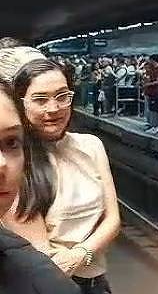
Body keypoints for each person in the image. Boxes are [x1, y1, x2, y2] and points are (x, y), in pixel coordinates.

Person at [6, 59, 121, 293]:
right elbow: (42, 255)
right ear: (21, 104)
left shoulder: (91, 145)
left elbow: (113, 219)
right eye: (40, 99)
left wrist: (81, 253)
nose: (53, 108)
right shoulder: (16, 161)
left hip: (97, 282)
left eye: (61, 96)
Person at [0, 82, 80, 294]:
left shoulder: (45, 283)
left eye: (10, 142)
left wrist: (82, 253)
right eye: (41, 99)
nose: (2, 164)